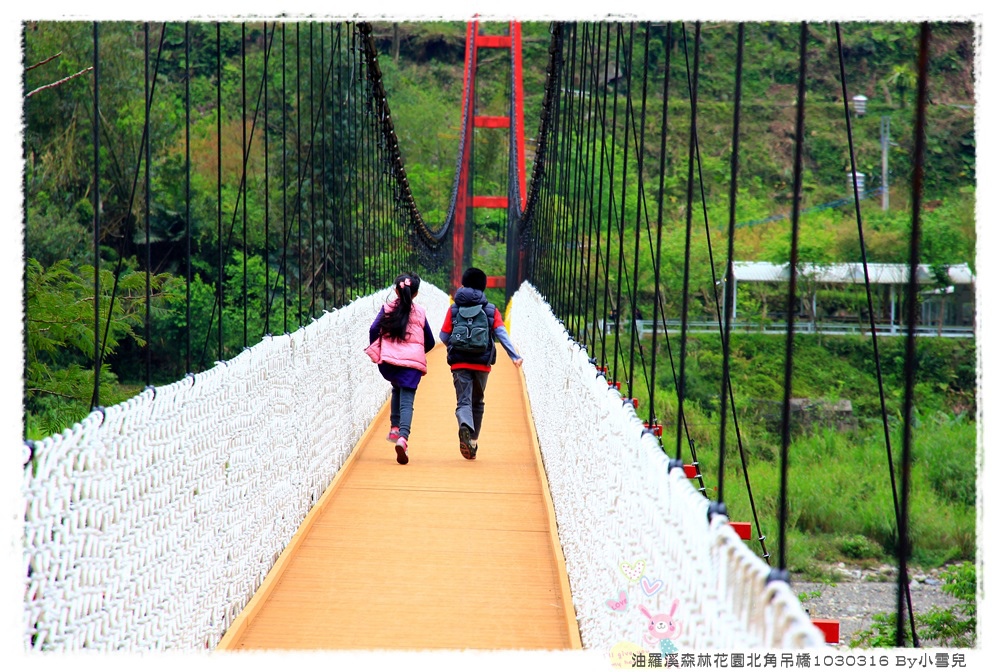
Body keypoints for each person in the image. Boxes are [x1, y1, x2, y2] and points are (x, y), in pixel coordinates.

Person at [439, 267, 523, 460]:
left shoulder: (454, 309)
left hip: (459, 363)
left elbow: (443, 336)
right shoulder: (491, 309)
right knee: (478, 402)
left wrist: (455, 347)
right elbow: (501, 334)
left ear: (463, 284)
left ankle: (464, 426)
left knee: (463, 401)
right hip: (482, 364)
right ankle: (473, 441)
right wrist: (514, 356)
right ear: (483, 287)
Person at [368, 273, 435, 465]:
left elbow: (373, 329)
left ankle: (395, 427)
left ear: (396, 290)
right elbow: (429, 341)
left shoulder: (387, 308)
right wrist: (418, 351)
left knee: (396, 387)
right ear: (415, 294)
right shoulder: (420, 312)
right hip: (411, 364)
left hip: (390, 361)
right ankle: (403, 438)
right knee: (407, 400)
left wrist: (379, 347)